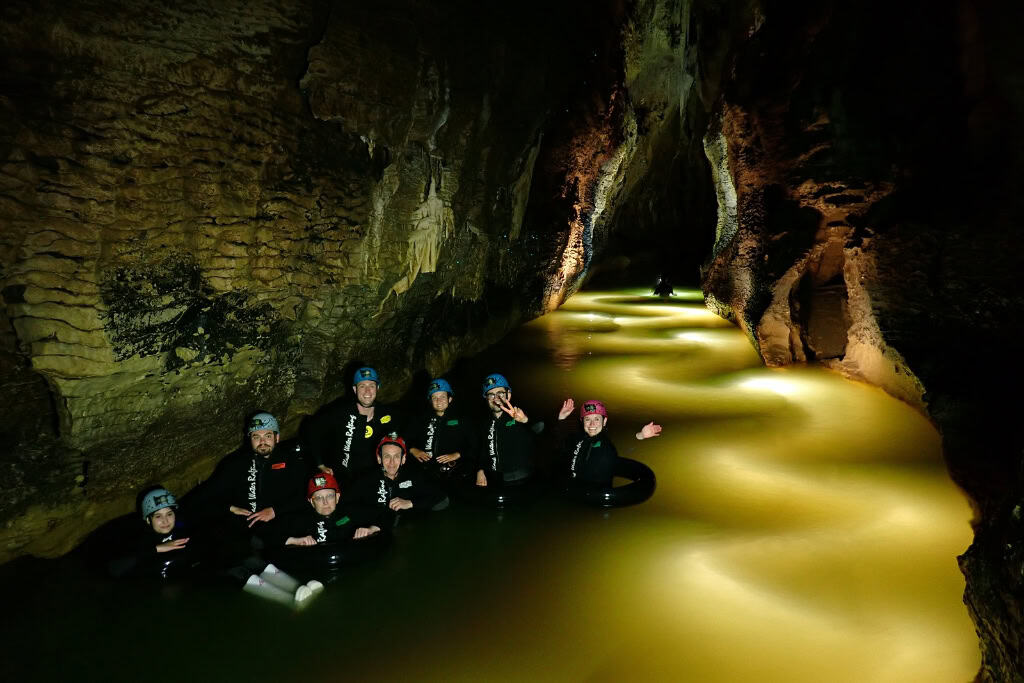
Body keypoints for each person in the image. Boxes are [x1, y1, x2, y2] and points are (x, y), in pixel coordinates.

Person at [110, 486, 320, 607]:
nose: (165, 521)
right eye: (158, 516)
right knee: (236, 572)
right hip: (193, 578)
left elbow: (205, 505)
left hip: (207, 558)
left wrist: (231, 508)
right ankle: (290, 601)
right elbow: (115, 566)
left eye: (169, 514)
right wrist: (159, 549)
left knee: (248, 558)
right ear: (148, 520)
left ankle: (297, 587)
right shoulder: (142, 539)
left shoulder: (184, 524)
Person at [185, 412, 308, 540]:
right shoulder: (235, 464)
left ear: (277, 438)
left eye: (268, 436)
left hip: (282, 524)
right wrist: (230, 508)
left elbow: (309, 495)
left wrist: (275, 510)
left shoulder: (292, 462)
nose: (262, 441)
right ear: (250, 439)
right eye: (256, 437)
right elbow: (203, 496)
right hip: (245, 529)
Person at [301, 366, 404, 482]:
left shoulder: (387, 415)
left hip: (374, 478)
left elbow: (400, 440)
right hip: (343, 478)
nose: (367, 391)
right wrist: (319, 463)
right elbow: (311, 429)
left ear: (377, 388)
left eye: (371, 386)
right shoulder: (339, 412)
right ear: (355, 389)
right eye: (362, 386)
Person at [556, 399, 662, 487]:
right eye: (587, 419)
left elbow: (626, 447)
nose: (592, 424)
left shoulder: (607, 444)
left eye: (597, 419)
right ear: (582, 421)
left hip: (595, 500)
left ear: (604, 421)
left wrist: (641, 435)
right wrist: (562, 418)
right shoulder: (578, 437)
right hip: (569, 490)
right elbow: (559, 443)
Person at [348, 434, 448, 521]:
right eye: (387, 456)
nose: (392, 462)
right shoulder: (365, 479)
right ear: (379, 458)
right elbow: (348, 506)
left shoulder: (414, 475)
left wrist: (410, 503)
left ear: (403, 459)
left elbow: (441, 498)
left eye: (396, 456)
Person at [274, 472, 384, 546]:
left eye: (330, 496)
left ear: (337, 497)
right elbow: (267, 533)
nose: (325, 502)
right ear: (311, 501)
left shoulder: (351, 512)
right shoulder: (301, 520)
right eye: (319, 498)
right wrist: (295, 541)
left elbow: (386, 514)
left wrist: (371, 529)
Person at [407, 378, 478, 484]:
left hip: (455, 473)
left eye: (442, 397)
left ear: (450, 399)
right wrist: (413, 450)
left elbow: (476, 445)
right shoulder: (421, 420)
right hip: (426, 474)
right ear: (430, 400)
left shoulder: (462, 419)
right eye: (434, 397)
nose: (438, 401)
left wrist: (457, 454)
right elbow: (404, 439)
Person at [475, 373, 536, 487]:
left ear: (508, 395)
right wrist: (480, 470)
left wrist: (525, 421)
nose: (496, 398)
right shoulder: (484, 423)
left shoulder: (521, 415)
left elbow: (540, 431)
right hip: (494, 479)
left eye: (500, 393)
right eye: (491, 395)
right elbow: (483, 450)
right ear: (486, 398)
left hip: (521, 480)